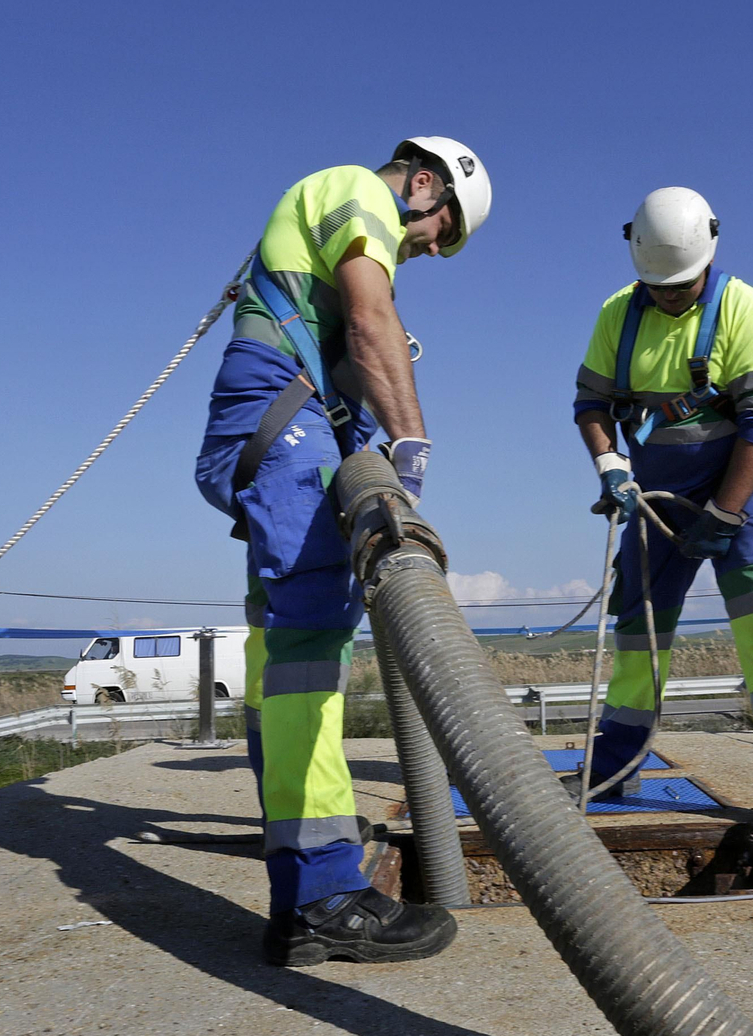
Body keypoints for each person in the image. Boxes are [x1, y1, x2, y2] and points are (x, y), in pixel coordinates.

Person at [194, 138, 491, 964]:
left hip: (281, 421)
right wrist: (411, 445)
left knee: (281, 658)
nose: (433, 247)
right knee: (307, 652)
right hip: (281, 421)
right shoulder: (358, 192)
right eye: (441, 231)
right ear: (423, 184)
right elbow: (370, 319)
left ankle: (300, 896)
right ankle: (324, 889)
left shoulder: (326, 213)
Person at [568, 186, 753, 835]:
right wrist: (611, 464)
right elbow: (591, 404)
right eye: (659, 285)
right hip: (659, 484)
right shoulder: (619, 314)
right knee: (638, 630)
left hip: (744, 476)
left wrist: (724, 514)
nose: (670, 294)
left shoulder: (744, 309)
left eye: (681, 284)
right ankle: (614, 764)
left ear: (707, 259)